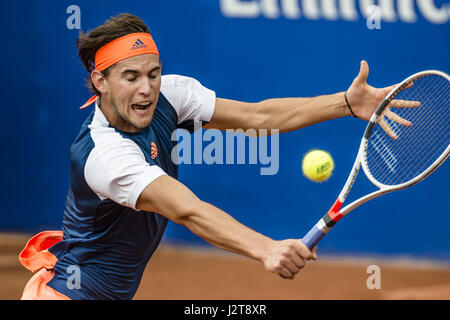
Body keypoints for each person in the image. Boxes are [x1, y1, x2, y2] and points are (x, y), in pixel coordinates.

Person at [19, 13, 411, 300]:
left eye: (152, 73)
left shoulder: (171, 95)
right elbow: (187, 210)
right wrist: (266, 247)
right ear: (100, 81)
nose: (146, 89)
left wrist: (345, 103)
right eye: (131, 77)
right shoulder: (105, 155)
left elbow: (259, 117)